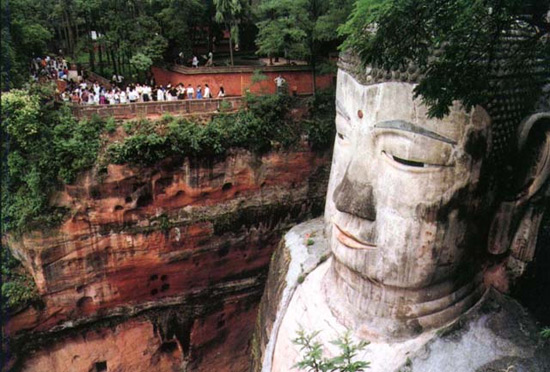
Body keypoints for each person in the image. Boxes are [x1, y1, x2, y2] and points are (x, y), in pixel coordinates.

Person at [260, 54, 550, 371]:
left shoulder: (506, 363)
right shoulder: (297, 258)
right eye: (342, 134)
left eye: (407, 158)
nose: (346, 198)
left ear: (525, 172)